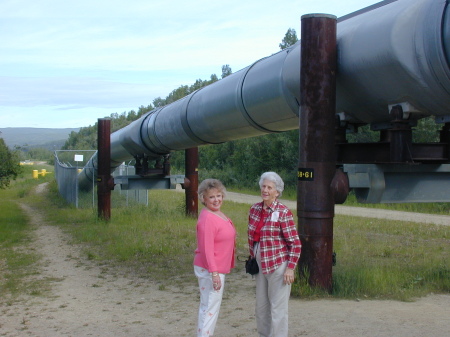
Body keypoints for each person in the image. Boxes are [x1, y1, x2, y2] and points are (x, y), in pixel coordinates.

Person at [248, 171, 302, 337]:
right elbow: (252, 237)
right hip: (260, 264)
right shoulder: (254, 209)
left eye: (269, 187)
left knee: (278, 310)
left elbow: (295, 243)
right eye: (263, 186)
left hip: (278, 266)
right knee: (261, 308)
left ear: (277, 192)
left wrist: (290, 268)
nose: (265, 190)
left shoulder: (283, 212)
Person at [194, 179, 236, 337]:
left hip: (216, 268)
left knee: (209, 307)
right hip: (210, 269)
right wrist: (214, 273)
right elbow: (206, 249)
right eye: (211, 197)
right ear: (203, 198)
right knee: (209, 308)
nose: (216, 200)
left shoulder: (216, 213)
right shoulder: (207, 219)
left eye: (219, 195)